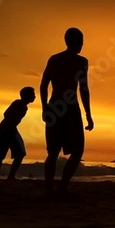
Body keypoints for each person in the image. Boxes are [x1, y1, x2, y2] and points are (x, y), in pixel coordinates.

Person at [40, 28, 94, 198]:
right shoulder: (81, 61)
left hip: (55, 106)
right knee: (76, 150)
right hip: (69, 109)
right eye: (82, 41)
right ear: (77, 42)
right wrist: (88, 115)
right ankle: (61, 188)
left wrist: (45, 107)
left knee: (54, 151)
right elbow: (84, 89)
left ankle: (51, 189)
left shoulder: (55, 59)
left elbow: (43, 85)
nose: (83, 44)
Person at [0, 87, 36, 180]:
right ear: (27, 96)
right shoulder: (18, 103)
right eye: (33, 94)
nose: (35, 96)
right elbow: (6, 114)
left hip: (9, 129)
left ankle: (7, 176)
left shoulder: (24, 106)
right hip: (9, 129)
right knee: (4, 154)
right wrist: (5, 130)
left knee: (16, 154)